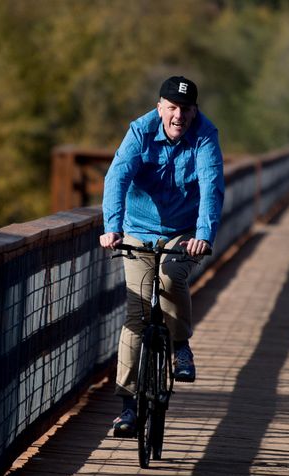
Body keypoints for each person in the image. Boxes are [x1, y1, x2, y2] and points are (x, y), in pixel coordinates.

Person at [99, 75, 225, 437]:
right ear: (160, 108)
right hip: (137, 230)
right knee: (136, 314)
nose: (178, 116)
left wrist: (204, 235)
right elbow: (117, 178)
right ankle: (127, 406)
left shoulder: (204, 135)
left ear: (194, 111)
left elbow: (212, 185)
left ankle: (181, 346)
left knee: (170, 277)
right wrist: (112, 227)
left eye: (185, 109)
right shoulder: (139, 132)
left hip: (184, 232)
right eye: (171, 108)